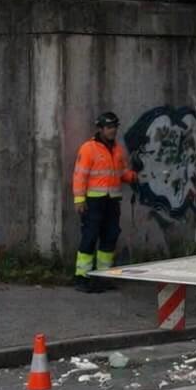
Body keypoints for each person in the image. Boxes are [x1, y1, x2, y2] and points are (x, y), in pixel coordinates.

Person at [72, 111, 137, 293]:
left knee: (110, 237)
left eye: (115, 127)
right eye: (109, 127)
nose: (112, 131)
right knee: (90, 237)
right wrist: (79, 200)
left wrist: (133, 177)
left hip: (112, 202)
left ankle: (104, 276)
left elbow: (121, 173)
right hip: (93, 202)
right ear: (100, 129)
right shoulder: (88, 148)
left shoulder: (117, 150)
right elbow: (79, 176)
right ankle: (82, 278)